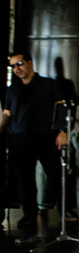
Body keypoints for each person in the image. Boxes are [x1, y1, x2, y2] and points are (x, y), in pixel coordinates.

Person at [0, 51, 69, 232]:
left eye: (20, 64)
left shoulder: (48, 84)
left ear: (30, 63)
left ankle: (65, 211)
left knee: (55, 175)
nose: (17, 69)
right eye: (13, 66)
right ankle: (29, 215)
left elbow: (61, 108)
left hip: (46, 137)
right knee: (24, 180)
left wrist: (62, 132)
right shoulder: (12, 89)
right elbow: (7, 114)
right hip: (20, 139)